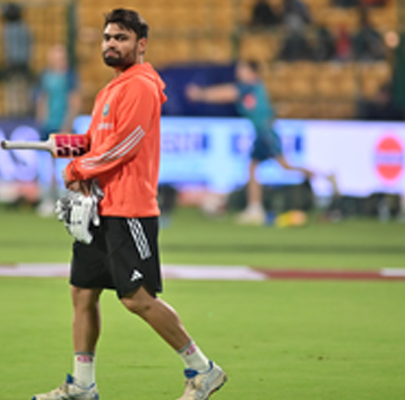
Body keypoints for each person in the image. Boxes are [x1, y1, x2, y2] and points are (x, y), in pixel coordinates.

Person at [32, 8, 227, 400]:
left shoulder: (140, 85)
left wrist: (77, 168)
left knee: (136, 298)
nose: (111, 44)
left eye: (120, 38)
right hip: (100, 208)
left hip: (130, 208)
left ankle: (203, 370)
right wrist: (65, 145)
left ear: (141, 45)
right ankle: (83, 385)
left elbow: (126, 144)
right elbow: (97, 141)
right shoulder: (111, 89)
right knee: (82, 291)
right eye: (107, 37)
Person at [186, 60, 324, 225]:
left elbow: (226, 93)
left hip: (265, 133)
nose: (239, 71)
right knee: (254, 167)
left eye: (243, 68)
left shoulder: (250, 87)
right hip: (263, 132)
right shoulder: (254, 87)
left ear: (252, 72)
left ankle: (323, 176)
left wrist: (201, 94)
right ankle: (255, 208)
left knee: (283, 166)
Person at [34, 44, 81, 216]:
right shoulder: (45, 76)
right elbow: (41, 99)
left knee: (66, 163)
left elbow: (74, 101)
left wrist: (67, 125)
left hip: (64, 124)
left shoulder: (69, 77)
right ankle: (48, 198)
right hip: (49, 125)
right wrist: (41, 119)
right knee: (48, 163)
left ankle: (67, 198)